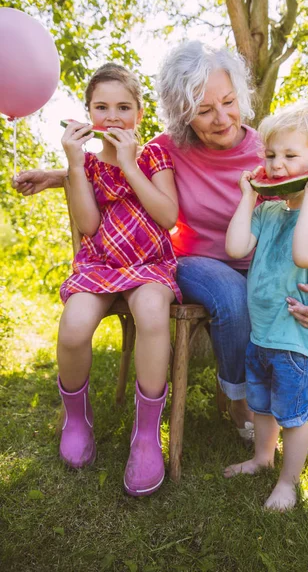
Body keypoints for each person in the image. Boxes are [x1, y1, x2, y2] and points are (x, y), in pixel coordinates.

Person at [12, 41, 308, 468]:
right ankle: (240, 404)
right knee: (232, 297)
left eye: (228, 102)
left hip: (262, 259)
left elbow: (306, 208)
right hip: (198, 260)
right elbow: (116, 167)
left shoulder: (267, 149)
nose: (221, 118)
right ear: (183, 113)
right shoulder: (171, 148)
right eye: (204, 110)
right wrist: (58, 176)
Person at [56, 63, 181, 497]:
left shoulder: (154, 156)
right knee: (73, 327)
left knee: (150, 312)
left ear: (140, 114)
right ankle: (77, 419)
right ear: (87, 113)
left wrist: (130, 165)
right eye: (101, 107)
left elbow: (167, 217)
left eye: (123, 107)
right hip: (100, 264)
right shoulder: (86, 166)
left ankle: (146, 434)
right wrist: (73, 166)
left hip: (149, 264)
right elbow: (88, 225)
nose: (112, 116)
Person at [224, 101, 308, 510]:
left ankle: (288, 484)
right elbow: (236, 246)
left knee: (293, 418)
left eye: (290, 156)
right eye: (271, 155)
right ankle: (262, 458)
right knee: (262, 408)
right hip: (261, 335)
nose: (276, 165)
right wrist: (247, 196)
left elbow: (304, 255)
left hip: (296, 343)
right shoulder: (270, 210)